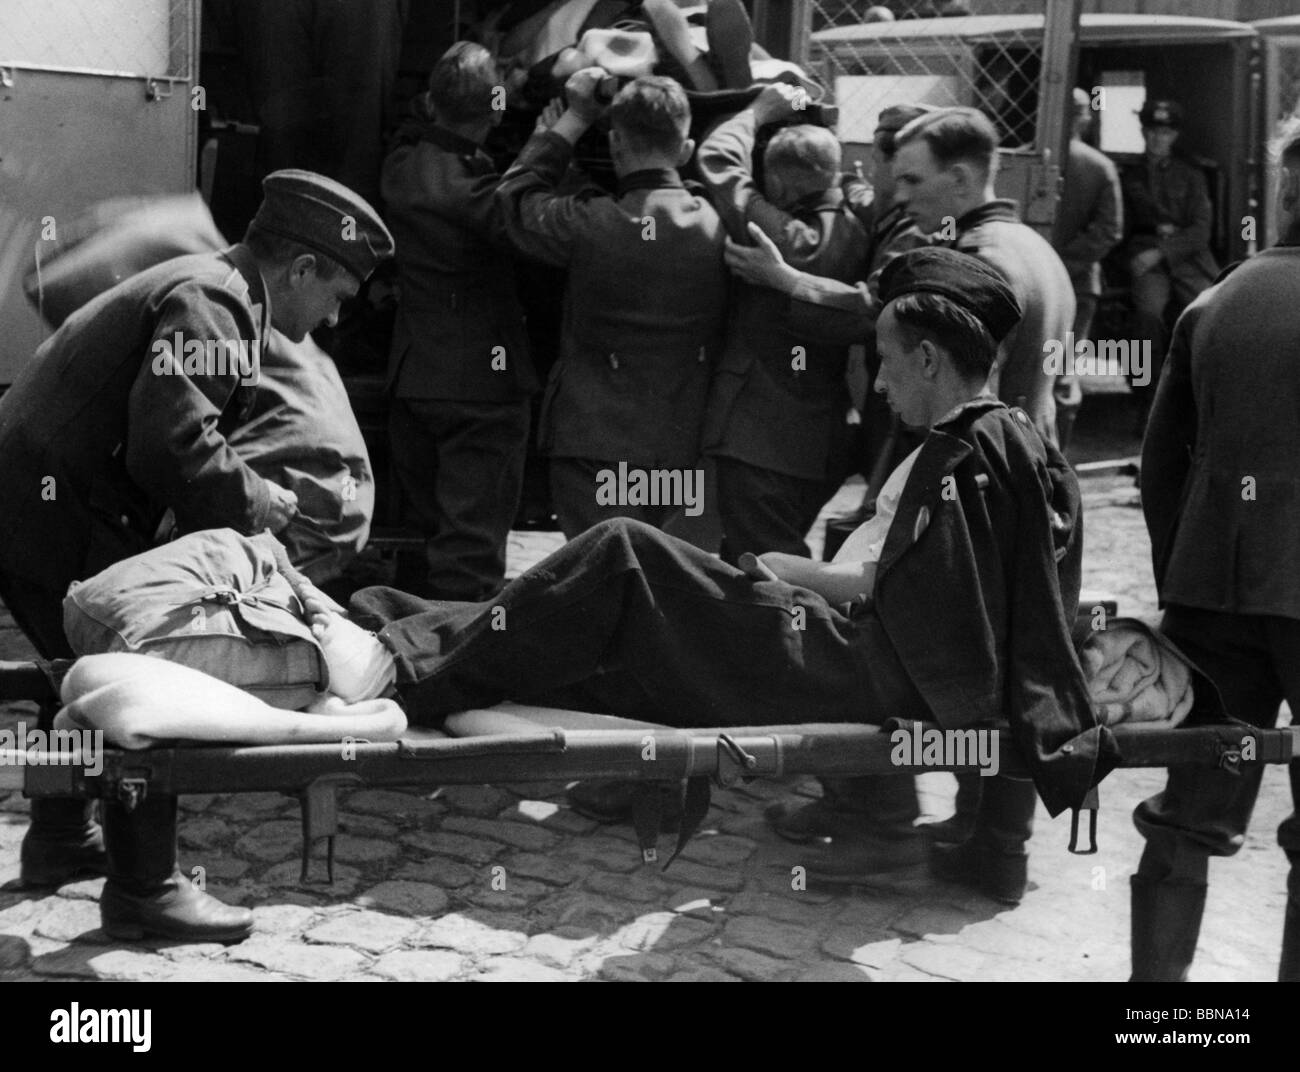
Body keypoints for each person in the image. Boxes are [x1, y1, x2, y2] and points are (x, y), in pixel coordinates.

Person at [301, 249, 1117, 887]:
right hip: (861, 652)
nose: (879, 377)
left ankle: (401, 663)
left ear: (933, 361)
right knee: (615, 614)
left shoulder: (968, 451)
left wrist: (794, 574)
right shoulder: (997, 440)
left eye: (887, 357)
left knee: (625, 550)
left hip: (859, 664)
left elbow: (917, 601)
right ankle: (406, 625)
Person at [0, 169, 394, 942]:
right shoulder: (215, 304)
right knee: (157, 671)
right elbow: (172, 444)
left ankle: (58, 838)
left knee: (67, 666)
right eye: (337, 294)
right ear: (301, 269)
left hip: (39, 501)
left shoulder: (216, 291)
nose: (335, 316)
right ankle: (146, 890)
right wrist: (260, 502)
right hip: (53, 508)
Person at [726, 108, 1077, 898]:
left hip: (960, 480)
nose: (901, 195)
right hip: (1011, 477)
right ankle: (989, 845)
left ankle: (882, 821)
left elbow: (896, 320)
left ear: (963, 175)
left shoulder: (978, 258)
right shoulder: (1038, 250)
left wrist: (786, 280)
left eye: (915, 181)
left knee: (872, 631)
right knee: (1004, 650)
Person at [1129, 129, 1300, 983]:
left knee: (1187, 809)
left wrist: (1185, 581)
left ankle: (1160, 1015)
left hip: (1210, 597)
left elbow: (1161, 466)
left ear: (1284, 194)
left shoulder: (1216, 302)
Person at [496, 71, 728, 539]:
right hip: (682, 444)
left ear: (617, 145)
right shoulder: (718, 224)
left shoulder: (589, 223)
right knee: (669, 581)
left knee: (604, 580)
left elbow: (513, 199)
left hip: (593, 438)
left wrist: (573, 120)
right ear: (684, 152)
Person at [382, 42, 541, 600]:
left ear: (430, 103)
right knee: (468, 556)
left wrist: (501, 92)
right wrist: (560, 127)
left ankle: (418, 649)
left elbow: (428, 119)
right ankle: (456, 666)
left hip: (416, 380)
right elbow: (522, 201)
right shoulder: (478, 195)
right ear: (494, 113)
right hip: (480, 390)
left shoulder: (400, 165)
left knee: (431, 542)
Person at [695, 82, 868, 563]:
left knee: (769, 564)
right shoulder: (859, 223)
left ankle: (803, 635)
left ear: (783, 187)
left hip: (761, 443)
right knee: (760, 556)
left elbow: (718, 162)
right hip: (820, 438)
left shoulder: (782, 235)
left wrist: (756, 110)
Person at [1119, 98, 1219, 427]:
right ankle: (1146, 402)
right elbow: (1120, 227)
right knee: (1147, 316)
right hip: (1147, 262)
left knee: (1210, 314)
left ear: (1174, 136)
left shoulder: (1191, 175)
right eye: (1151, 131)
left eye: (1164, 132)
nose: (1157, 138)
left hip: (1188, 260)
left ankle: (1204, 403)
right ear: (1143, 132)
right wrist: (1138, 256)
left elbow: (1201, 230)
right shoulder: (1127, 175)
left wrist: (1162, 250)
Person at [1052, 87, 1123, 452]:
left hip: (1034, 284)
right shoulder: (1099, 165)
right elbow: (1109, 230)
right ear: (1084, 118)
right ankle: (1056, 462)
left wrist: (1046, 262)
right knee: (1062, 372)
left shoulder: (1032, 159)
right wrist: (1066, 262)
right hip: (1078, 285)